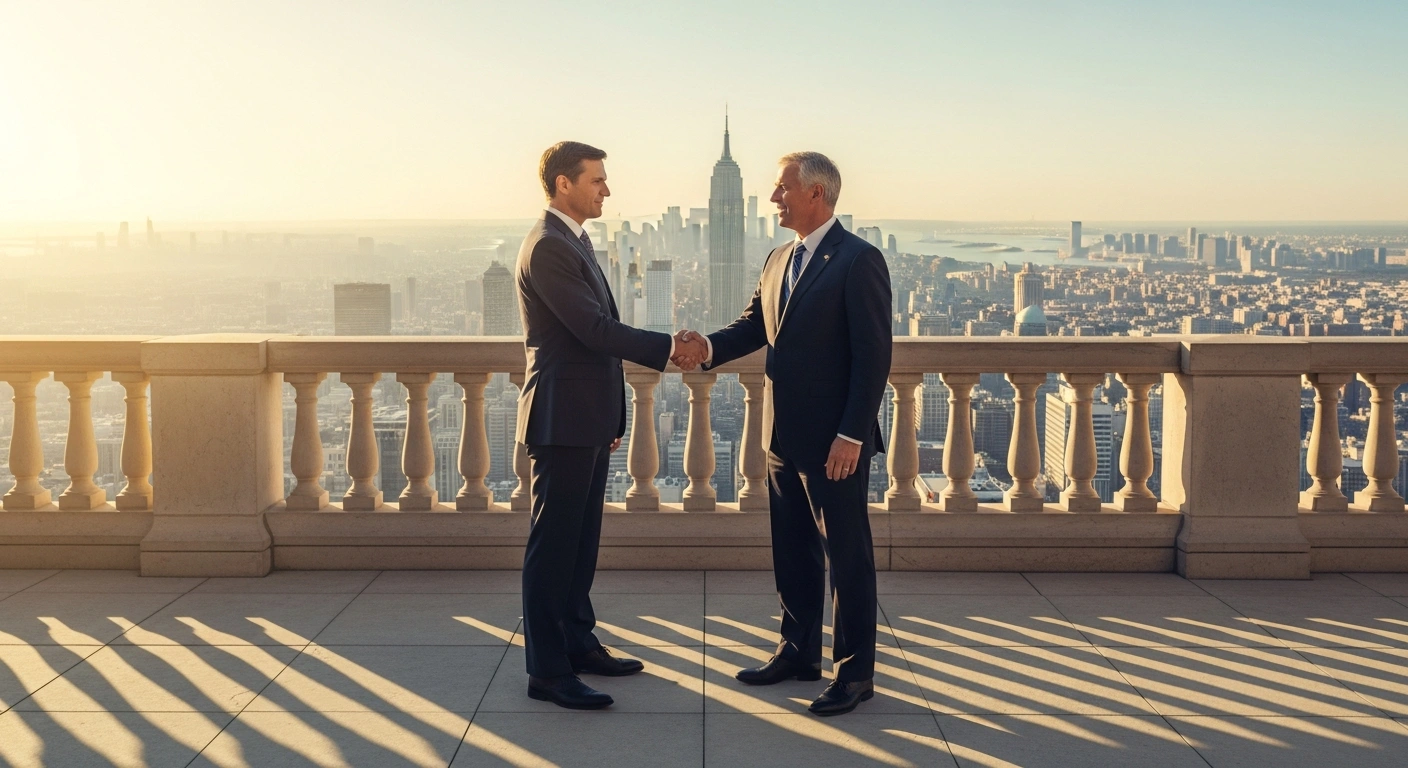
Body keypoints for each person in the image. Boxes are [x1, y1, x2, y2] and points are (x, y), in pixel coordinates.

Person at [672, 151, 892, 716]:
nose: (774, 199)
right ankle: (797, 652)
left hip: (834, 442)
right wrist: (707, 350)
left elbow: (873, 359)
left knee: (847, 556)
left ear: (816, 194)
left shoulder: (859, 261)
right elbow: (755, 326)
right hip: (782, 436)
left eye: (782, 189)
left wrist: (852, 434)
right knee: (791, 550)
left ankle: (855, 674)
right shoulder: (777, 259)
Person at [515, 141, 699, 709]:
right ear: (564, 184)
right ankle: (547, 670)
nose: (607, 190)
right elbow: (594, 330)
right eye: (597, 180)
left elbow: (595, 338)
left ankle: (577, 642)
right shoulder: (548, 247)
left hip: (586, 415)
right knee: (554, 547)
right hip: (562, 415)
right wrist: (670, 346)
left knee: (580, 542)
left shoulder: (574, 242)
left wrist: (613, 413)